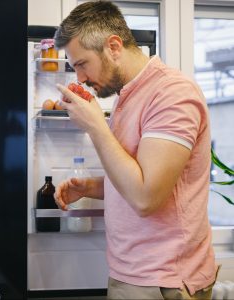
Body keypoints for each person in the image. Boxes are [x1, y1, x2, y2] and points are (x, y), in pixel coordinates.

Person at [53, 1, 219, 299]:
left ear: (113, 47)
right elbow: (137, 178)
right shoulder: (126, 97)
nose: (79, 78)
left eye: (81, 64)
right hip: (133, 273)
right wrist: (91, 187)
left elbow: (146, 198)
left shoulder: (171, 93)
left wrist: (96, 126)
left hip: (163, 281)